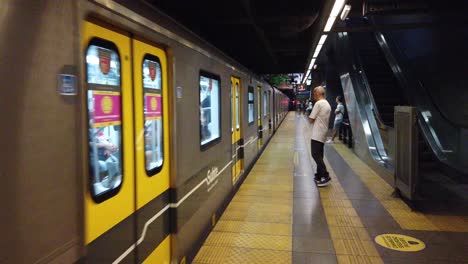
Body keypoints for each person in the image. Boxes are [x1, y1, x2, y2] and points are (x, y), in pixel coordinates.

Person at [308, 86, 332, 187]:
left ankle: (325, 176)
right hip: (323, 132)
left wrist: (310, 116)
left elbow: (311, 119)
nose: (313, 95)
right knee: (319, 154)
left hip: (317, 133)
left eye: (314, 93)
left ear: (318, 93)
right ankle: (319, 175)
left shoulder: (318, 103)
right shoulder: (327, 103)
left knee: (315, 154)